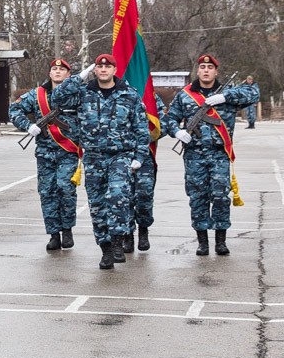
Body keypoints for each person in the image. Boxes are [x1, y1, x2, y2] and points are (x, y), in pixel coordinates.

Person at [50, 54, 150, 269]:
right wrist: (79, 77)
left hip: (120, 155)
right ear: (94, 70)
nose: (103, 69)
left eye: (108, 66)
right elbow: (56, 98)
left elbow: (141, 129)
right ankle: (104, 248)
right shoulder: (83, 93)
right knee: (97, 204)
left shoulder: (129, 95)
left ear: (115, 70)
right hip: (93, 157)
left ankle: (117, 241)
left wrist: (139, 157)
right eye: (99, 66)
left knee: (118, 195)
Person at [166, 54, 260, 256]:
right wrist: (177, 132)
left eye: (210, 67)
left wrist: (226, 97)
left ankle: (220, 241)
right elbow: (169, 119)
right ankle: (202, 242)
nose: (206, 70)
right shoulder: (185, 95)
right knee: (197, 197)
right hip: (194, 156)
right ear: (197, 71)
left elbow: (253, 94)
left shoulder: (227, 93)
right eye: (202, 67)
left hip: (219, 155)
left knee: (220, 197)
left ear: (216, 71)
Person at [9, 58, 81, 251]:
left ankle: (67, 230)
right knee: (47, 192)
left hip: (68, 150)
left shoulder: (76, 94)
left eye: (62, 69)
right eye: (54, 69)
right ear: (50, 73)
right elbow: (14, 109)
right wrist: (28, 125)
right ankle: (53, 234)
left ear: (68, 74)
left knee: (65, 188)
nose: (57, 72)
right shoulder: (36, 95)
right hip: (45, 152)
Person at [128, 91, 167, 253]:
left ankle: (143, 229)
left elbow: (163, 123)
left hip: (145, 155)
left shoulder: (149, 96)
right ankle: (126, 234)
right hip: (119, 153)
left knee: (144, 195)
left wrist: (143, 137)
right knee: (123, 197)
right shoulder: (115, 92)